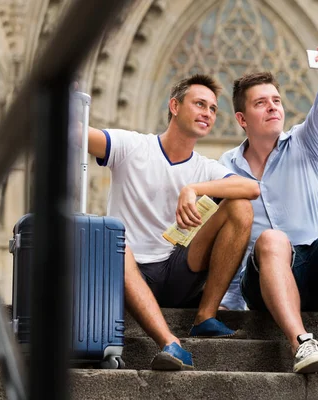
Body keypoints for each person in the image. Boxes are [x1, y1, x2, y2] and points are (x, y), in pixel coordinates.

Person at [80, 74, 260, 371]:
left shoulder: (204, 167)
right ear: (174, 106)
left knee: (240, 208)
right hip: (128, 273)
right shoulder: (132, 146)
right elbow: (78, 136)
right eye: (199, 104)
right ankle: (170, 343)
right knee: (114, 241)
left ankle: (205, 316)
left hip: (177, 272)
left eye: (213, 109)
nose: (207, 113)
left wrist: (194, 189)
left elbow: (251, 189)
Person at [218, 44, 318, 373]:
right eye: (261, 103)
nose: (273, 108)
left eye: (276, 101)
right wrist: (228, 307)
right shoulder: (224, 167)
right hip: (263, 278)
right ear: (241, 118)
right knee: (273, 240)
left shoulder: (306, 140)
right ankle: (302, 343)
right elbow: (226, 235)